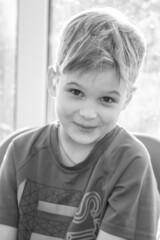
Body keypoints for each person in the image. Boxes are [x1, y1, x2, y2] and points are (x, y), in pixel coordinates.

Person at [0, 6, 159, 240]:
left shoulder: (131, 163)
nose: (88, 113)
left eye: (106, 99)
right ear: (54, 82)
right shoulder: (19, 153)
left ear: (127, 98)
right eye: (76, 92)